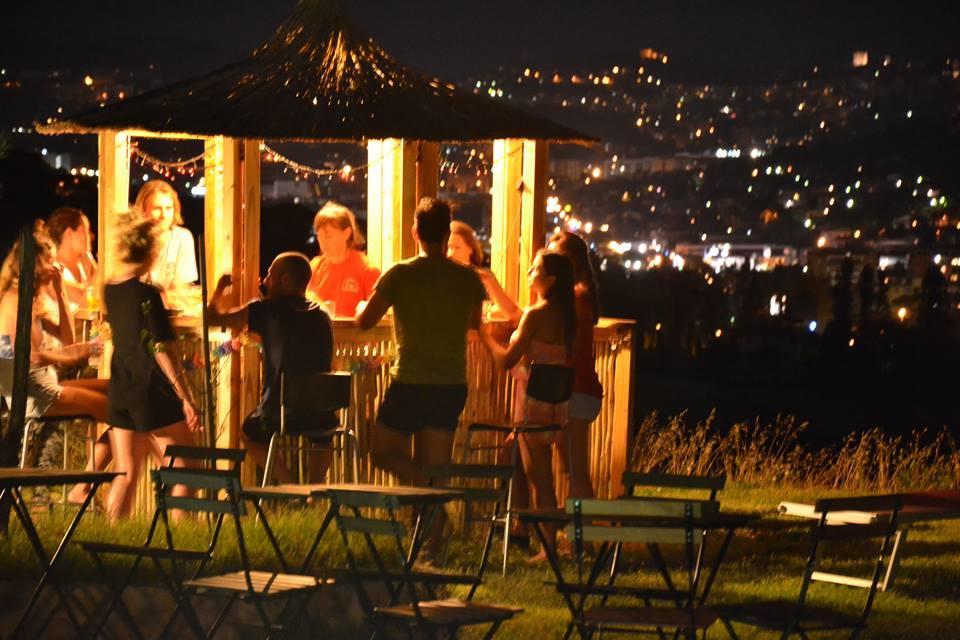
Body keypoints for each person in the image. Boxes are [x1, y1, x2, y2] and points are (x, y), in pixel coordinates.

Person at [356, 197, 486, 552]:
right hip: (451, 382)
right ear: (447, 233)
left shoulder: (400, 273)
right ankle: (432, 537)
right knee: (436, 462)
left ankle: (431, 501)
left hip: (410, 379)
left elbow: (364, 322)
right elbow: (474, 324)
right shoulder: (468, 279)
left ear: (415, 232)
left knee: (382, 451)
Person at [478, 251, 576, 563]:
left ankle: (547, 549)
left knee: (539, 477)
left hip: (534, 402)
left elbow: (507, 359)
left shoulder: (537, 314)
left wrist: (485, 335)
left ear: (550, 280)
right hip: (559, 403)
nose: (529, 273)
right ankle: (544, 540)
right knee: (541, 473)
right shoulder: (567, 315)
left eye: (534, 269)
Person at [102, 212, 200, 520]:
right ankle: (181, 541)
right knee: (186, 472)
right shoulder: (148, 295)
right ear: (151, 251)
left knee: (126, 473)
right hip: (151, 390)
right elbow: (161, 348)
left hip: (121, 388)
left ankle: (113, 539)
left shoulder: (110, 288)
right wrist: (185, 396)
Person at [207, 252, 336, 482]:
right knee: (323, 438)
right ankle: (314, 490)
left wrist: (219, 289)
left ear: (284, 280)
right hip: (322, 413)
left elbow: (213, 319)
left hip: (280, 412)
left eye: (269, 275)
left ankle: (290, 485)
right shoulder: (322, 315)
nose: (264, 280)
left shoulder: (266, 311)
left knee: (248, 434)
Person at [547, 230, 603, 500]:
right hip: (578, 390)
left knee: (575, 472)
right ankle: (580, 538)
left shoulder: (576, 298)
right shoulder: (579, 295)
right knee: (570, 470)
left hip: (576, 390)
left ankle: (585, 539)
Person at [307, 201, 380, 318]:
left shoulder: (367, 270)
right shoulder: (314, 267)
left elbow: (378, 315)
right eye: (319, 236)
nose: (322, 242)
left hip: (354, 335)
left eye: (328, 235)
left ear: (346, 233)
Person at [446, 220, 521, 322]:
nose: (450, 253)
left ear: (470, 249)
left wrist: (490, 281)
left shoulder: (484, 277)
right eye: (448, 247)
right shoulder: (442, 276)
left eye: (456, 247)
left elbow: (513, 314)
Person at [134, 180, 198, 296]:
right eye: (157, 208)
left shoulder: (183, 238)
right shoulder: (133, 239)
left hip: (169, 309)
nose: (164, 215)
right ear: (143, 211)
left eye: (169, 208)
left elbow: (180, 288)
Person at [46, 207, 98, 311]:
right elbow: (89, 301)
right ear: (69, 233)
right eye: (85, 231)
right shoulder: (51, 272)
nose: (91, 236)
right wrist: (105, 260)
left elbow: (102, 292)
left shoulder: (85, 260)